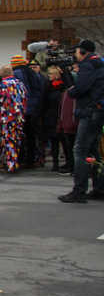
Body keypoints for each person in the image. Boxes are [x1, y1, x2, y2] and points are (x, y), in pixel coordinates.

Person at [59, 40, 104, 203]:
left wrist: (70, 86)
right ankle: (99, 188)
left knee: (80, 150)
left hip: (90, 111)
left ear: (83, 51)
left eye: (77, 51)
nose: (75, 55)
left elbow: (80, 89)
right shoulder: (99, 63)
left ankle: (79, 190)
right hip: (98, 110)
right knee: (94, 150)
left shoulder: (87, 65)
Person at [0, 66, 26, 173]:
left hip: (7, 117)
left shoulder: (3, 85)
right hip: (19, 117)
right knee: (16, 140)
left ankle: (11, 165)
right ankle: (15, 162)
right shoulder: (20, 84)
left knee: (8, 141)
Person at [11, 55, 45, 168]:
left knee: (22, 135)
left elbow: (20, 91)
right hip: (34, 107)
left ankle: (22, 158)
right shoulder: (32, 73)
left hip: (23, 108)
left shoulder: (17, 73)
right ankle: (33, 159)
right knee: (32, 135)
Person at [43, 65, 71, 172]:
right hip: (51, 116)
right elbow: (44, 101)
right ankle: (55, 163)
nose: (48, 75)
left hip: (61, 116)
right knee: (54, 140)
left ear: (56, 75)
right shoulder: (47, 86)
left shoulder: (63, 86)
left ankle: (68, 162)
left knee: (65, 141)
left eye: (50, 73)